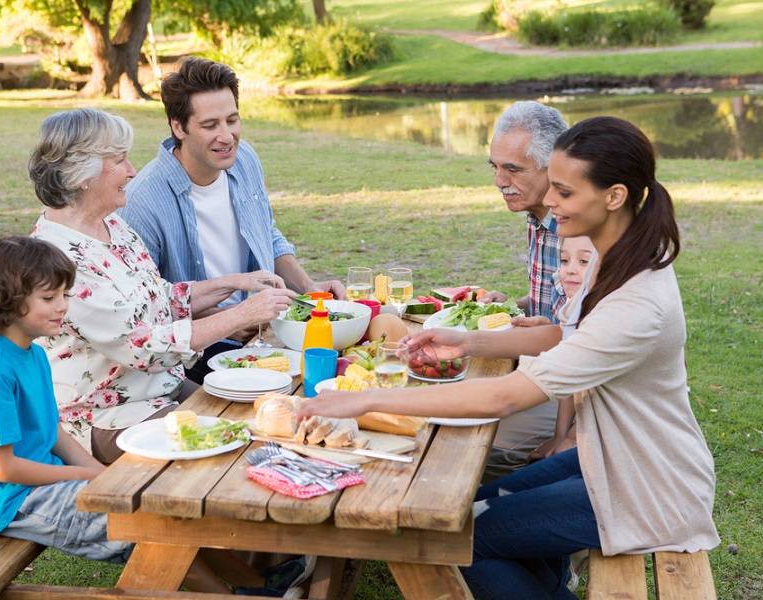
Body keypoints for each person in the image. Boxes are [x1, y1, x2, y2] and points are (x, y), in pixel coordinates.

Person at [298, 117, 720, 598]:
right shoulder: (619, 254)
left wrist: (369, 400)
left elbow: (504, 396)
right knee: (472, 507)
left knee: (455, 534)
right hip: (609, 457)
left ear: (614, 196)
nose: (551, 204)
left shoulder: (636, 300)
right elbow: (567, 337)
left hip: (646, 488)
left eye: (563, 192)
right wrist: (468, 342)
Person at [29, 108, 295, 463]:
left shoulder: (110, 226)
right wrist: (242, 313)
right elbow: (142, 347)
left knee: (261, 420)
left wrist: (235, 283)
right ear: (83, 175)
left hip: (161, 391)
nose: (132, 171)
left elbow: (158, 297)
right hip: (109, 417)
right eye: (119, 160)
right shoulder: (60, 260)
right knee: (235, 452)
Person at [120, 57, 344, 382]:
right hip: (198, 350)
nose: (226, 137)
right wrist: (231, 318)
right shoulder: (143, 200)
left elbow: (268, 234)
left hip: (266, 327)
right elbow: (148, 305)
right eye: (210, 125)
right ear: (178, 127)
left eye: (232, 120)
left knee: (339, 363)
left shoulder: (245, 159)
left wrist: (310, 290)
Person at [0, 236, 129, 561]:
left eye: (65, 295)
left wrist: (102, 472)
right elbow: (3, 469)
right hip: (10, 499)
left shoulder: (34, 354)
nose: (63, 306)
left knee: (147, 501)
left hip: (42, 482)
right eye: (49, 297)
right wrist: (83, 475)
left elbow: (53, 432)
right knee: (144, 525)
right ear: (6, 299)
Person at [477, 101, 569, 480]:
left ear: (554, 167)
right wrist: (509, 307)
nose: (500, 181)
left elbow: (573, 334)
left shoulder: (573, 229)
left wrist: (463, 340)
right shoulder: (536, 214)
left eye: (512, 169)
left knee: (476, 436)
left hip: (574, 390)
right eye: (495, 167)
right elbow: (553, 303)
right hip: (544, 368)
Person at [527, 235, 596, 463]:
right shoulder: (573, 307)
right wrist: (560, 436)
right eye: (565, 261)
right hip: (584, 415)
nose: (570, 270)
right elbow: (569, 384)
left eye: (584, 262)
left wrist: (572, 438)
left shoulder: (607, 315)